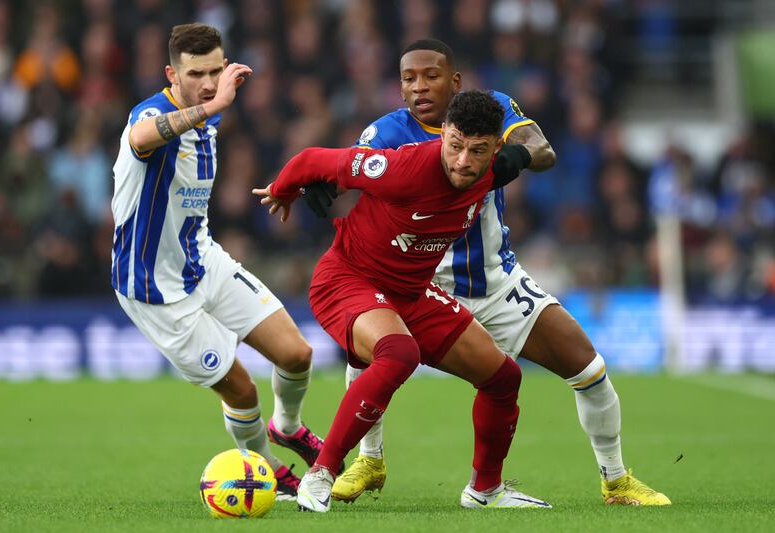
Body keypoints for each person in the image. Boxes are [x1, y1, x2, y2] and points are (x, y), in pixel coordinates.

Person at [303, 39, 670, 506]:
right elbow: (345, 170)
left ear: (455, 82)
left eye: (431, 77)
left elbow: (542, 149)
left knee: (589, 369)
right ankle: (369, 460)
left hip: (493, 281)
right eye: (409, 79)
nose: (420, 87)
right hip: (420, 282)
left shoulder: (492, 108)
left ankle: (616, 481)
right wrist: (318, 186)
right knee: (375, 356)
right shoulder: (386, 132)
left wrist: (512, 157)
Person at [254, 90, 552, 512]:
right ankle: (320, 475)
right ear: (444, 133)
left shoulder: (496, 169)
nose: (463, 161)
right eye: (455, 146)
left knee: (503, 377)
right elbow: (310, 162)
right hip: (346, 279)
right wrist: (283, 190)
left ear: (495, 149)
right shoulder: (404, 168)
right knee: (398, 352)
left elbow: (529, 153)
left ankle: (485, 492)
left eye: (477, 150)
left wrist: (519, 157)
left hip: (410, 292)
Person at [110, 23, 327, 501]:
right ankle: (268, 472)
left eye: (215, 71)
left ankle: (287, 427)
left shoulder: (210, 115)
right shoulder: (157, 112)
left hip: (201, 258)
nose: (208, 83)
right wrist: (212, 106)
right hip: (153, 288)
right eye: (196, 74)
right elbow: (142, 138)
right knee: (242, 390)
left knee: (297, 354)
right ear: (172, 74)